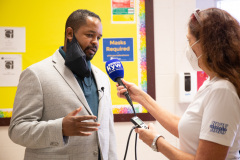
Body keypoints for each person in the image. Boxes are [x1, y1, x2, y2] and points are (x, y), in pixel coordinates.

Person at [117, 8, 240, 160]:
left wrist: (157, 141)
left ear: (207, 45)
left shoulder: (223, 90)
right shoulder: (212, 83)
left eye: (189, 41)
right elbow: (186, 127)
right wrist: (142, 98)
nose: (188, 48)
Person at [9, 9, 118, 160]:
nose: (95, 42)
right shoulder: (36, 74)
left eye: (98, 37)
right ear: (70, 34)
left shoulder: (102, 77)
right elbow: (17, 130)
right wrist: (60, 128)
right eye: (89, 35)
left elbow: (108, 133)